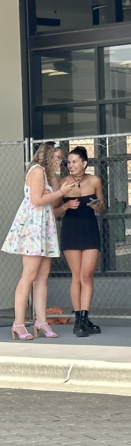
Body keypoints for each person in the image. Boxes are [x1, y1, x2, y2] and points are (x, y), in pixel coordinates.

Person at [3, 142, 74, 340]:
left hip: (43, 226)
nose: (60, 162)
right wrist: (60, 192)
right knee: (29, 274)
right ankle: (18, 323)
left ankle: (41, 321)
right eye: (57, 158)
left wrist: (54, 178)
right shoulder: (36, 171)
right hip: (33, 227)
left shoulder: (45, 173)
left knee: (43, 274)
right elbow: (36, 200)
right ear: (48, 156)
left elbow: (55, 198)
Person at [58, 146, 105, 338]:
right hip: (71, 230)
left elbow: (103, 207)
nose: (71, 165)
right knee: (76, 275)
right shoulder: (63, 183)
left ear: (84, 163)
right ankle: (78, 319)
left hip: (90, 229)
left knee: (87, 275)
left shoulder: (94, 180)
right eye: (68, 162)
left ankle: (85, 318)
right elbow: (53, 211)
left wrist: (97, 206)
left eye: (74, 161)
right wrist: (65, 205)